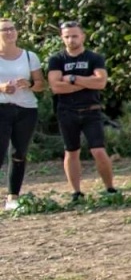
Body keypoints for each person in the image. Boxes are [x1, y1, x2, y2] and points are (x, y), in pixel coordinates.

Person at [46, 21, 117, 201]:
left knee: (98, 150)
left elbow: (100, 82)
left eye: (75, 36)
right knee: (71, 151)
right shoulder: (57, 59)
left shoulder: (94, 58)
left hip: (91, 110)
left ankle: (110, 189)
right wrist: (86, 82)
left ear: (83, 36)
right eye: (67, 36)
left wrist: (72, 78)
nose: (71, 40)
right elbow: (56, 87)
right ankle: (76, 192)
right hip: (66, 111)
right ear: (62, 38)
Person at [0, 18, 47, 211]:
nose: (9, 32)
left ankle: (13, 197)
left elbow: (41, 84)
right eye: (4, 30)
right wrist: (2, 87)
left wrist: (29, 84)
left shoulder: (29, 56)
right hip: (2, 108)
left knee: (19, 153)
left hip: (26, 109)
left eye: (12, 28)